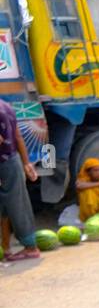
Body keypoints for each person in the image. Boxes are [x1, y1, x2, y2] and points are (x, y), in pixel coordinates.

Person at [0, 98, 41, 263]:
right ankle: (7, 248)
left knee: (16, 205)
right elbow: (18, 136)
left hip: (3, 163)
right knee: (8, 205)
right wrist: (26, 163)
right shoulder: (5, 106)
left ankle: (31, 247)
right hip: (13, 160)